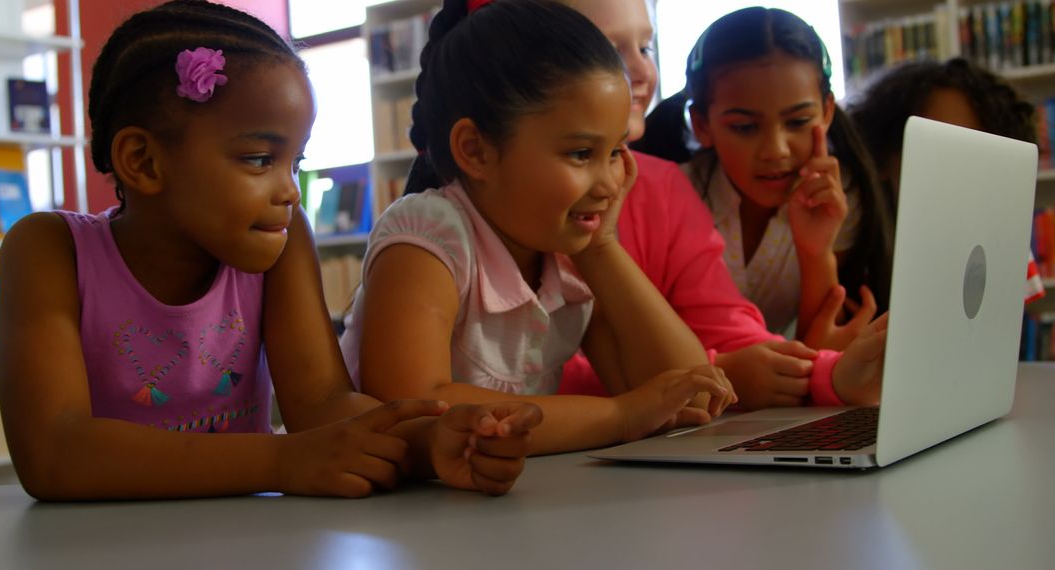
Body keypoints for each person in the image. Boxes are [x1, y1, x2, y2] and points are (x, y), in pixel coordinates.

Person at [0, 0, 543, 501]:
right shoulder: (50, 250)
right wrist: (281, 460)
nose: (290, 190)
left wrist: (432, 444)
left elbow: (323, 408)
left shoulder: (282, 239)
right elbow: (54, 454)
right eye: (259, 159)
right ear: (142, 161)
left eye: (296, 163)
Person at [339, 0, 739, 456]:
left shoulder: (568, 253)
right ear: (476, 151)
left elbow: (692, 394)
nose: (610, 183)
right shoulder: (429, 238)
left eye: (614, 153)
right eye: (581, 154)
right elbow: (410, 404)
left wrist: (602, 248)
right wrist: (621, 415)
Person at [557, 1, 889, 410]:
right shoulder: (683, 187)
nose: (776, 150)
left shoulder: (663, 188)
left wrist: (828, 371)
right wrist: (730, 372)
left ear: (826, 112)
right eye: (609, 50)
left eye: (645, 48)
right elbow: (544, 374)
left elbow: (732, 331)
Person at [637, 7, 895, 352]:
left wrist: (815, 251)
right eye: (745, 127)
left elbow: (819, 350)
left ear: (828, 111)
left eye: (798, 121)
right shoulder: (667, 200)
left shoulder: (837, 195)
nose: (775, 150)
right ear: (701, 124)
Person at [848, 57, 1045, 302]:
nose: (963, 176)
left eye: (982, 160)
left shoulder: (1003, 243)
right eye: (944, 150)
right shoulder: (850, 248)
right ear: (882, 155)